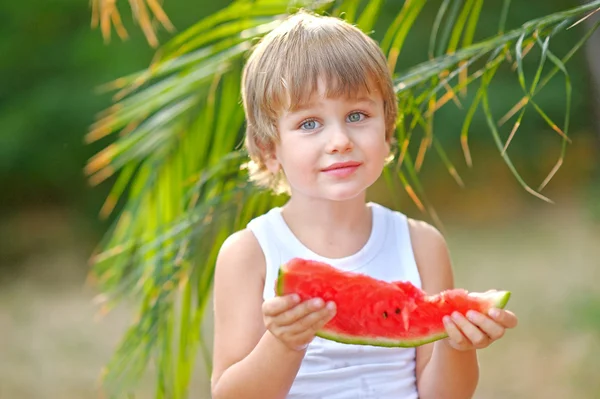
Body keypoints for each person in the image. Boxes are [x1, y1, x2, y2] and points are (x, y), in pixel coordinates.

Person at [210, 10, 518, 399]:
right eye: (309, 123)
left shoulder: (422, 245)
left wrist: (458, 345)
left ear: (387, 131)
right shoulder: (250, 253)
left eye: (357, 115)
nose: (339, 139)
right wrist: (285, 344)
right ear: (269, 150)